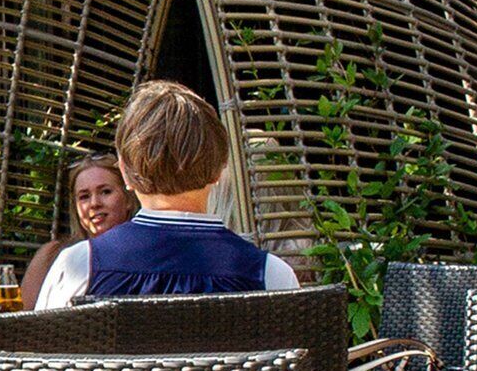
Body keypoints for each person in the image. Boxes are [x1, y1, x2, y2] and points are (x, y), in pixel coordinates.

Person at [33, 81, 299, 306]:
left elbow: (41, 363)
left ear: (124, 173)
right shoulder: (271, 276)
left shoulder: (81, 267)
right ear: (219, 171)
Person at [19, 150, 136, 308]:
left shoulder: (145, 255)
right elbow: (23, 321)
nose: (94, 203)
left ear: (128, 199)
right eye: (84, 196)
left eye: (105, 192)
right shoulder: (51, 255)